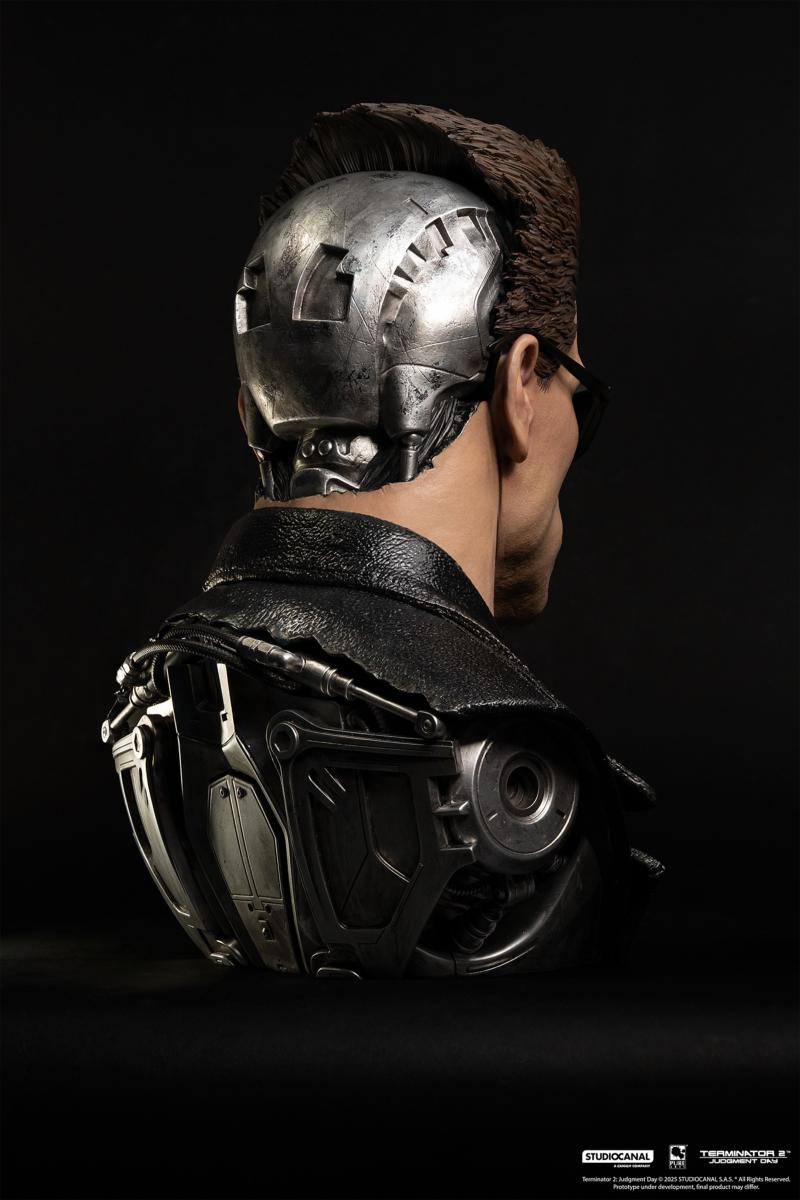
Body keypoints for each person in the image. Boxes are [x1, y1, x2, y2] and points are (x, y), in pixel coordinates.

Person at [103, 102, 662, 978]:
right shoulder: (516, 773)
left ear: (251, 412)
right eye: (576, 400)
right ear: (522, 386)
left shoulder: (154, 695)